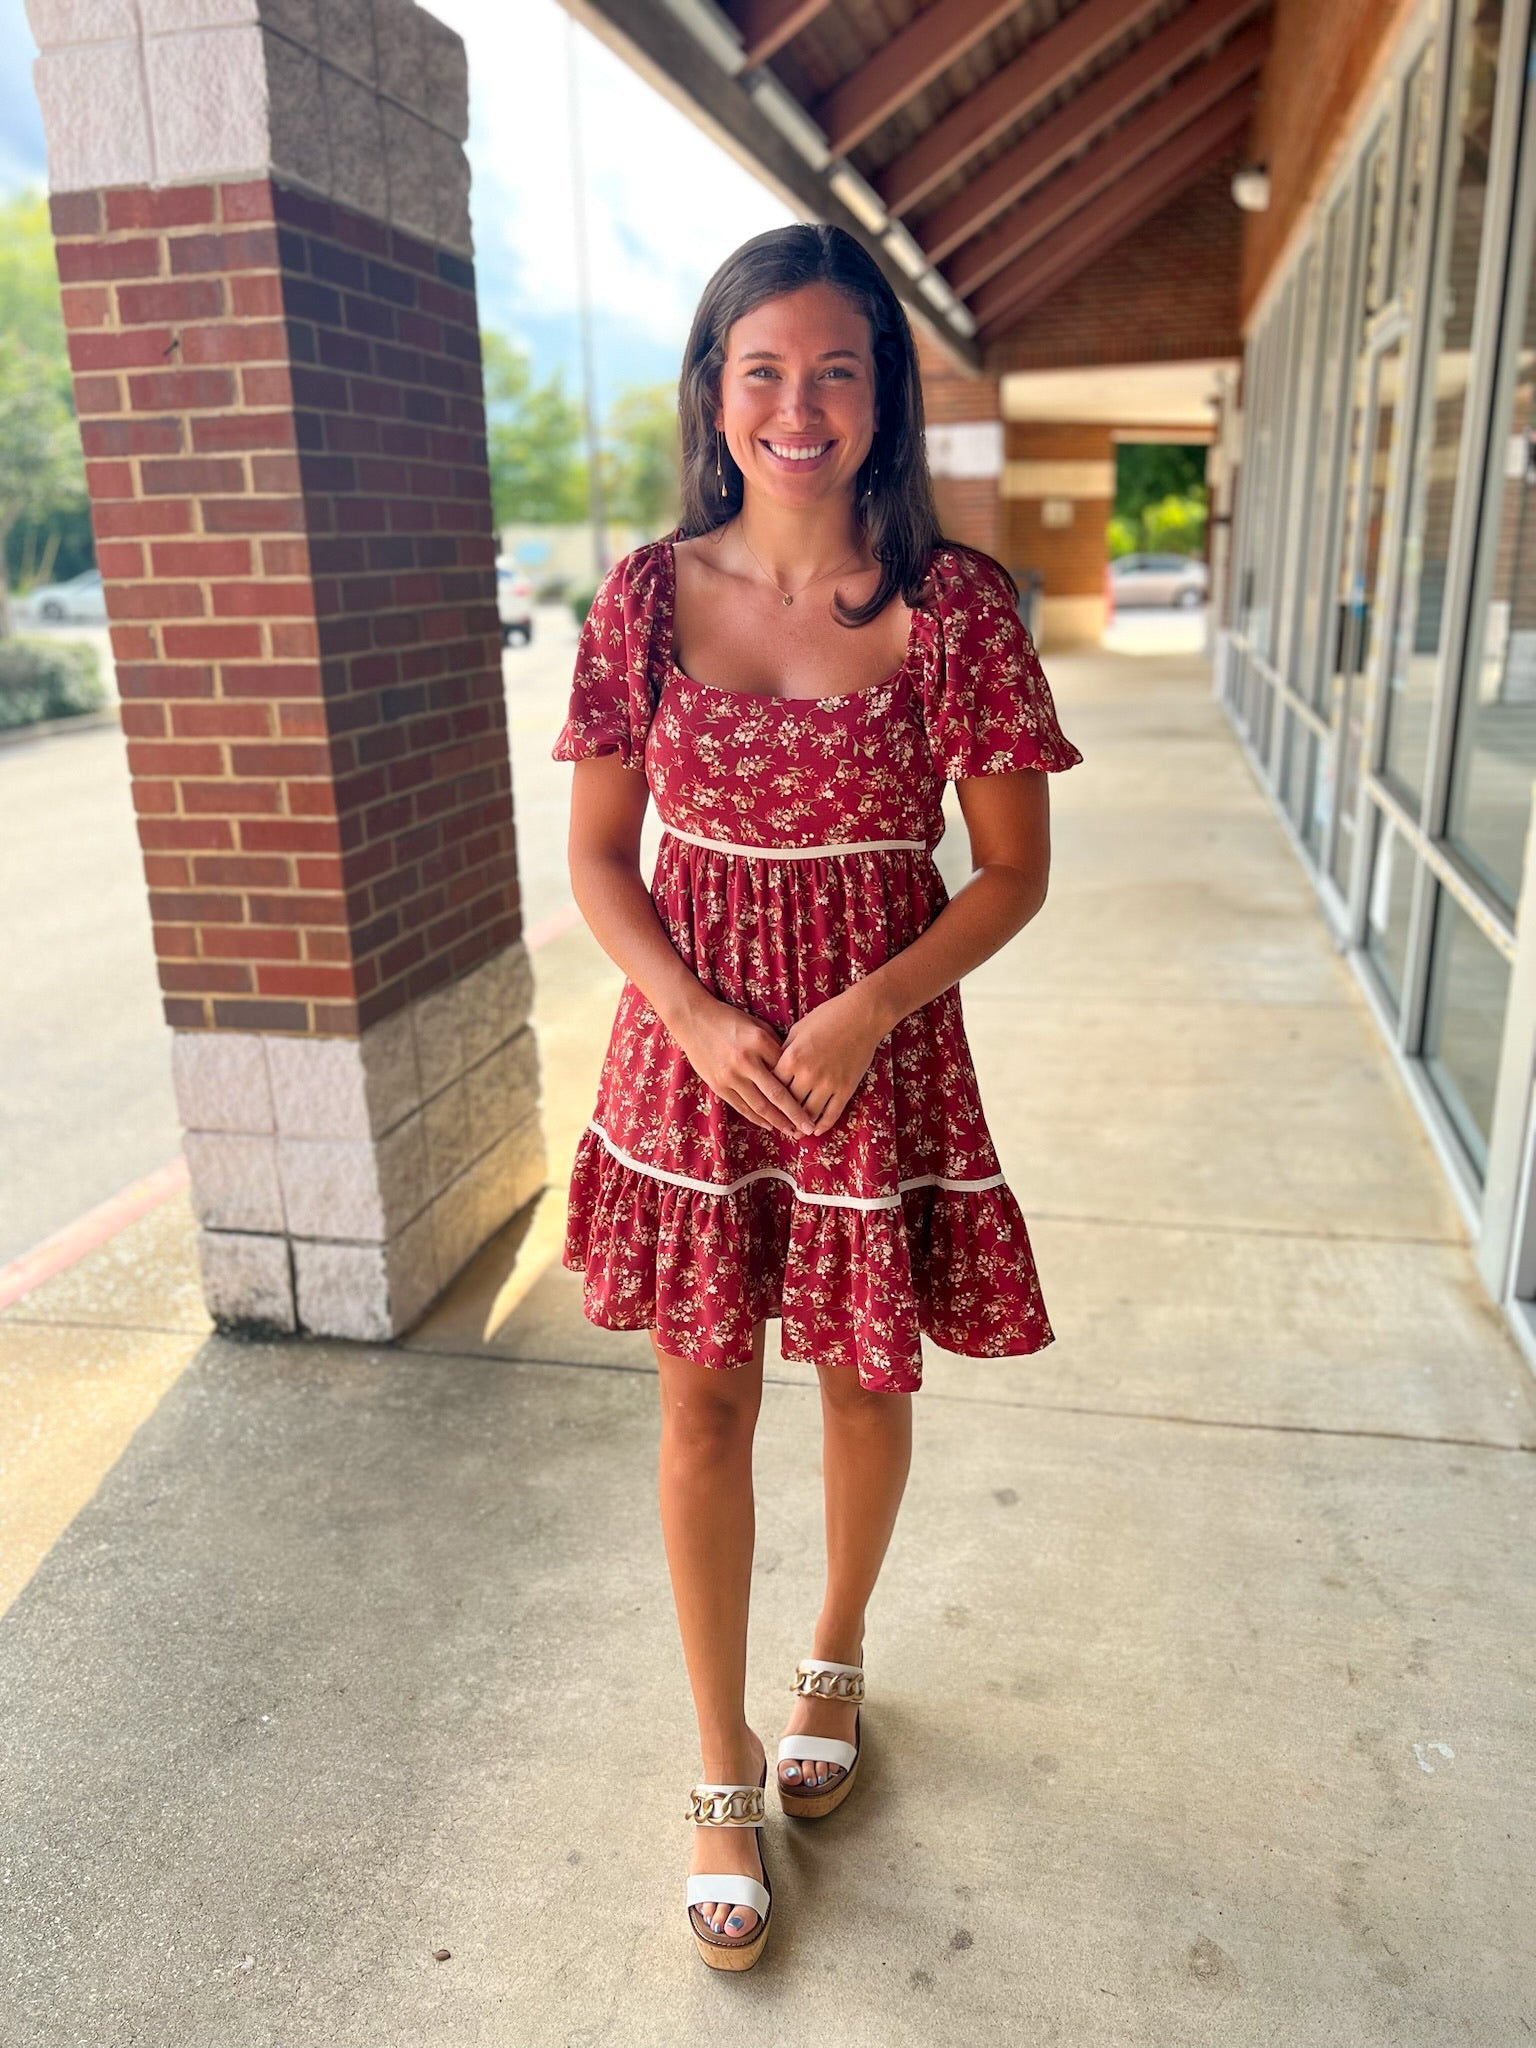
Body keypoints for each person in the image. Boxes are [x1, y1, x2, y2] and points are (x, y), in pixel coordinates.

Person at [550, 223, 1083, 1971]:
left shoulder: (965, 611)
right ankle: (717, 1767)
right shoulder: (641, 597)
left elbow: (1007, 874)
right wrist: (696, 1017)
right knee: (702, 1411)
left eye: (835, 370)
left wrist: (864, 1008)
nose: (798, 405)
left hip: (880, 1053)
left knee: (864, 1377)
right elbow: (601, 861)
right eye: (762, 369)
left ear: (882, 395)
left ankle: (834, 1656)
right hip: (693, 1064)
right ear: (716, 392)